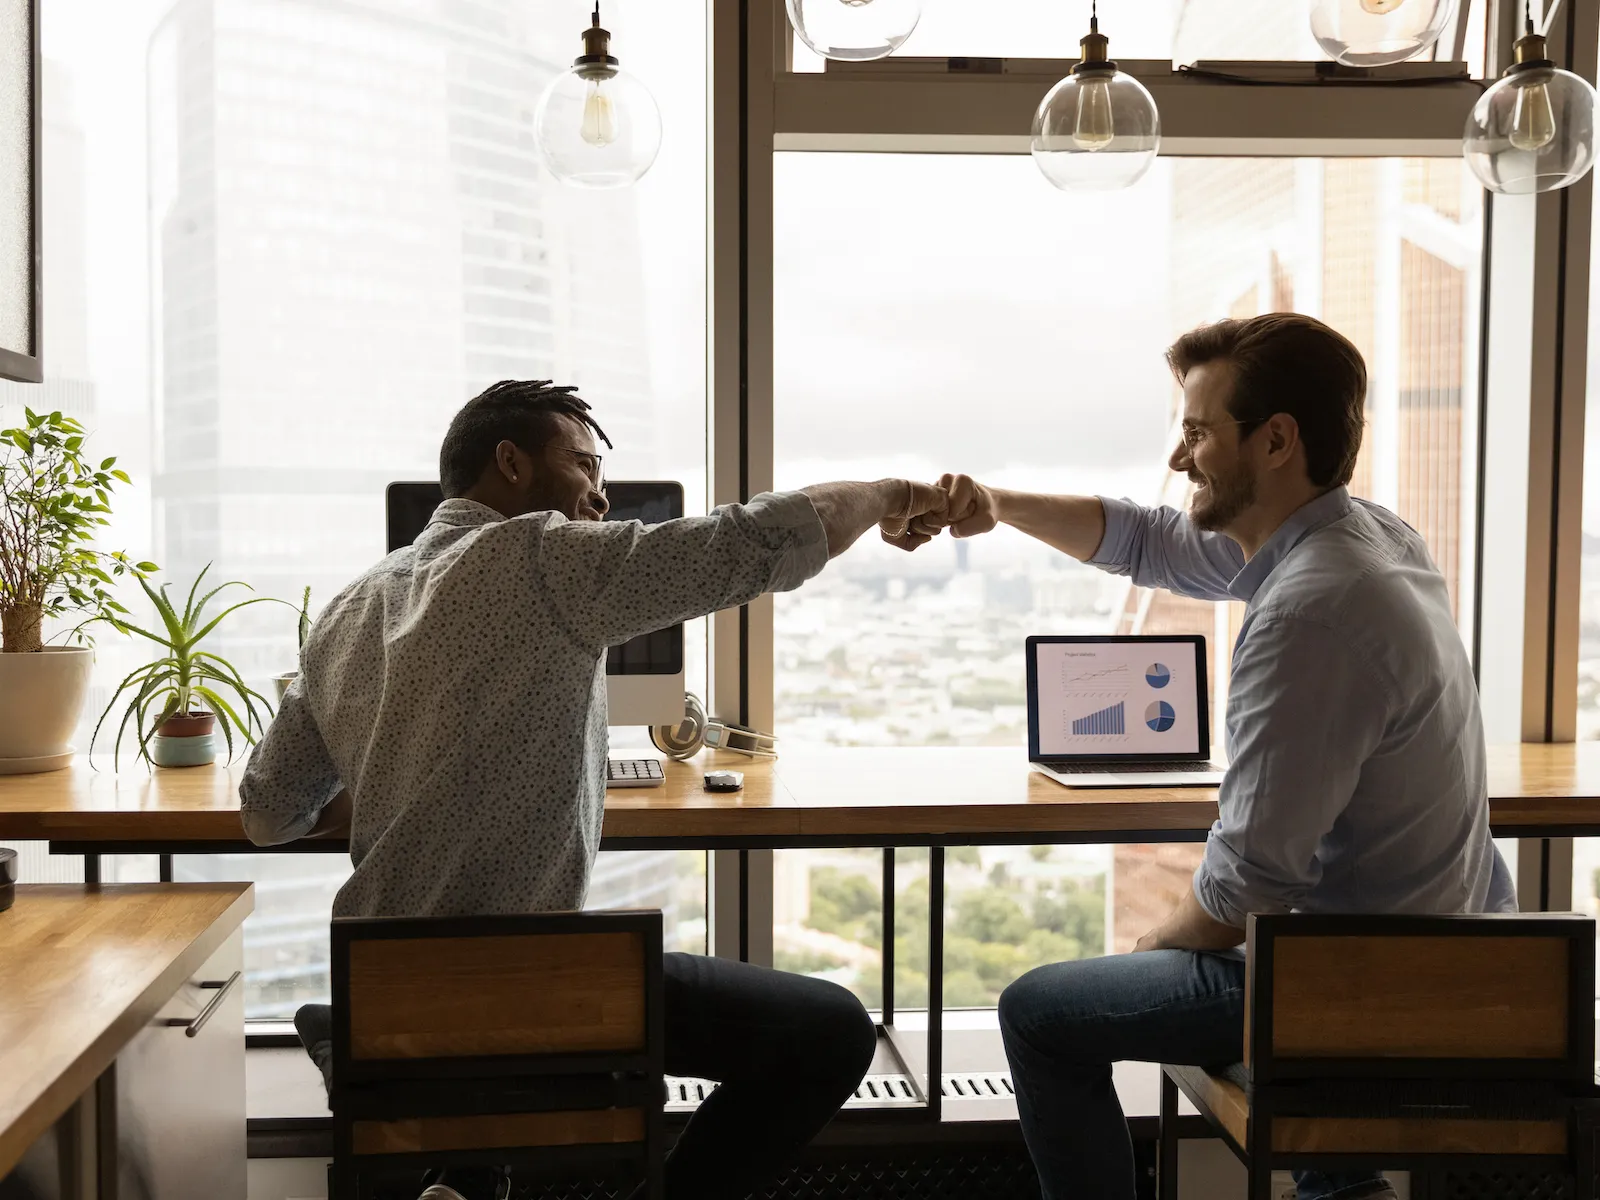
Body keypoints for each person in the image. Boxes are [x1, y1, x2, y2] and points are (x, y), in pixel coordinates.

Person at [240, 379, 948, 1200]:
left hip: (389, 1000)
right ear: (510, 463)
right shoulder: (544, 558)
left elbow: (268, 811)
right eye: (583, 464)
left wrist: (395, 770)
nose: (602, 493)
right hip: (524, 990)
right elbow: (754, 541)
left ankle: (463, 1179)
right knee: (829, 1033)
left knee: (490, 1050)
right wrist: (893, 496)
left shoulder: (346, 607)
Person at [907, 313, 1516, 1200]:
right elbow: (1151, 541)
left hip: (1352, 988)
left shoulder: (1309, 611)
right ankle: (1340, 1183)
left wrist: (1157, 942)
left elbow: (1244, 892)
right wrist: (998, 506)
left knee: (1037, 1014)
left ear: (1276, 441)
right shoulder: (1372, 539)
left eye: (1196, 431)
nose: (1179, 456)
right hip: (1442, 952)